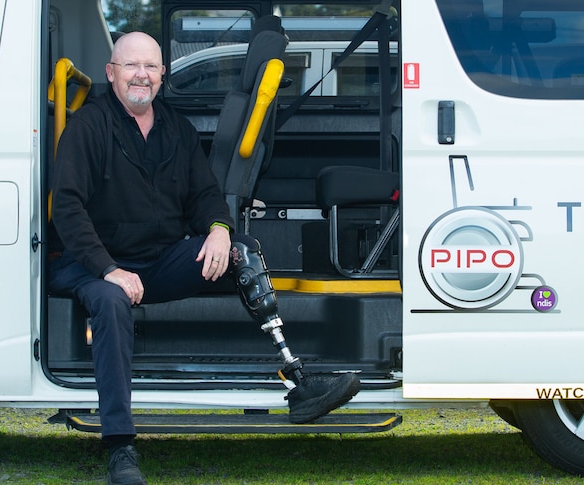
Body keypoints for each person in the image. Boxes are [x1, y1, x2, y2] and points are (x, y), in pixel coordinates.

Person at [49, 32, 360, 485]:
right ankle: (120, 447)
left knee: (243, 254)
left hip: (158, 263)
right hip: (94, 266)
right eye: (131, 66)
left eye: (151, 67)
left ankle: (300, 384)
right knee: (112, 304)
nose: (142, 74)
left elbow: (206, 195)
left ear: (162, 75)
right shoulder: (88, 127)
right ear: (111, 74)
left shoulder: (176, 128)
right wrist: (109, 270)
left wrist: (218, 230)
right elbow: (68, 209)